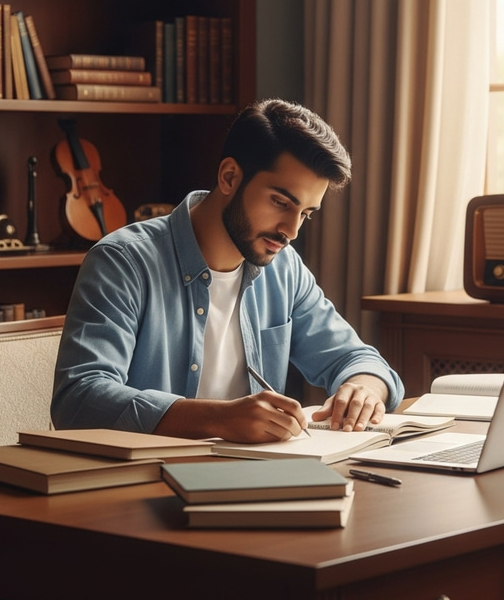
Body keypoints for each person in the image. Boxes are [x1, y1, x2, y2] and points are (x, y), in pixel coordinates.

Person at [52, 99, 404, 443]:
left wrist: (364, 387)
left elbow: (356, 358)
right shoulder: (123, 262)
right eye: (281, 202)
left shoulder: (283, 267)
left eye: (306, 213)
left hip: (252, 484)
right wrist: (219, 419)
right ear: (230, 176)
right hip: (142, 486)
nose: (291, 230)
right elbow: (79, 399)